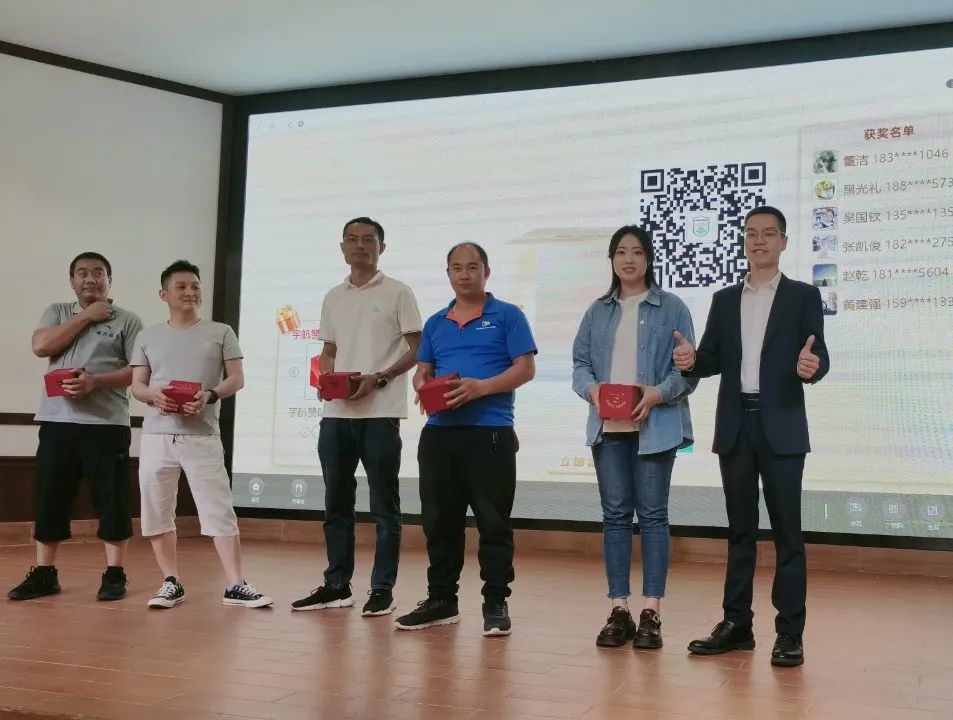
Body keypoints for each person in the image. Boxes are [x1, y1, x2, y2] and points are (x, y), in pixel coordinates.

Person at [674, 206, 830, 667]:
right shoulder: (725, 299)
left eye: (768, 233)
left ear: (784, 242)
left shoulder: (803, 296)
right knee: (740, 530)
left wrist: (812, 367)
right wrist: (691, 361)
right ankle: (736, 624)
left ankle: (790, 632)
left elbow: (817, 355)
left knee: (787, 533)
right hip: (736, 424)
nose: (758, 240)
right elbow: (711, 358)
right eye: (750, 234)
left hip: (782, 425)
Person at [394, 243, 536, 636]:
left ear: (486, 272)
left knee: (493, 523)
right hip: (439, 435)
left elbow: (525, 369)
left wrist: (481, 387)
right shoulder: (436, 323)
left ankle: (495, 603)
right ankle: (442, 600)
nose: (465, 274)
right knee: (439, 523)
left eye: (473, 267)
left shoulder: (508, 315)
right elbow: (422, 370)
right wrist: (423, 383)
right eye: (457, 268)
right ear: (448, 274)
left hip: (490, 434)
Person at [572, 225, 697, 650]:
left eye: (637, 252)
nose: (629, 259)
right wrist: (592, 391)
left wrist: (657, 393)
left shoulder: (673, 307)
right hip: (608, 429)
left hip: (655, 427)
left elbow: (688, 371)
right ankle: (619, 608)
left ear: (649, 259)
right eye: (621, 252)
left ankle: (651, 611)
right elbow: (580, 365)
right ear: (611, 259)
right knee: (614, 517)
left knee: (654, 516)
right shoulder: (597, 311)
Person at [291, 217, 422, 617]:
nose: (360, 245)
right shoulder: (334, 296)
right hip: (336, 415)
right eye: (352, 239)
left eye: (368, 239)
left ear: (382, 247)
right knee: (336, 503)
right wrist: (325, 379)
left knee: (384, 506)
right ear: (342, 247)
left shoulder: (399, 291)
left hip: (381, 413)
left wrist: (380, 377)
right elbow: (329, 349)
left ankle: (382, 589)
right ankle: (336, 585)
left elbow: (418, 348)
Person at [131, 260, 272, 609]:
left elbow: (236, 378)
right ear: (164, 294)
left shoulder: (220, 331)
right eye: (181, 286)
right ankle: (170, 582)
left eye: (195, 285)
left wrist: (209, 395)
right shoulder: (148, 335)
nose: (190, 291)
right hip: (157, 436)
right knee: (156, 510)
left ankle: (235, 584)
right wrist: (155, 397)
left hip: (202, 435)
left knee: (218, 510)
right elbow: (137, 385)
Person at [8, 252, 142, 602]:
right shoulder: (57, 312)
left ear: (109, 280)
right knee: (50, 498)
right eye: (82, 273)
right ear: (72, 282)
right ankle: (45, 574)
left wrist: (95, 382)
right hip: (57, 422)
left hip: (107, 425)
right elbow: (41, 346)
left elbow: (138, 371)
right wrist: (86, 316)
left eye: (98, 272)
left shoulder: (128, 320)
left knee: (113, 501)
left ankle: (115, 574)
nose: (90, 279)